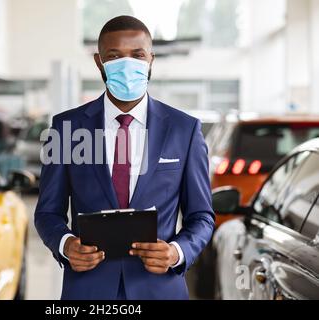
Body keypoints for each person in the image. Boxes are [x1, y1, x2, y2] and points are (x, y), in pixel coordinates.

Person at [35, 16, 215, 300]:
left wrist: (177, 252)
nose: (127, 64)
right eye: (115, 56)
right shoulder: (66, 128)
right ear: (99, 62)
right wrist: (66, 244)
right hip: (87, 290)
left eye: (138, 55)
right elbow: (47, 212)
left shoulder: (185, 130)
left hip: (159, 288)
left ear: (151, 59)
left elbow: (202, 216)